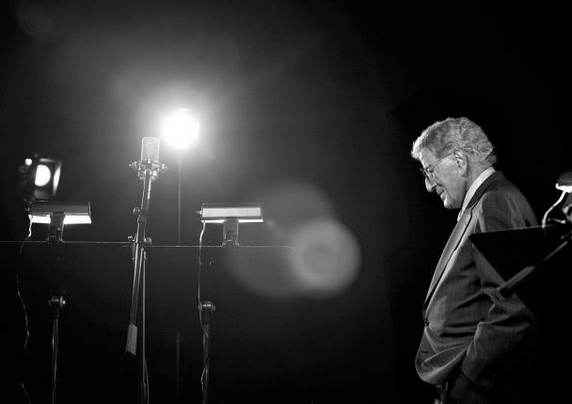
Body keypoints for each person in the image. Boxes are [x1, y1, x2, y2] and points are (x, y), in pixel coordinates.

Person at [410, 117, 539, 403]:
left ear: (459, 160)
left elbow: (513, 308)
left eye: (430, 170)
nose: (429, 186)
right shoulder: (484, 202)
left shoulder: (495, 202)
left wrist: (467, 382)